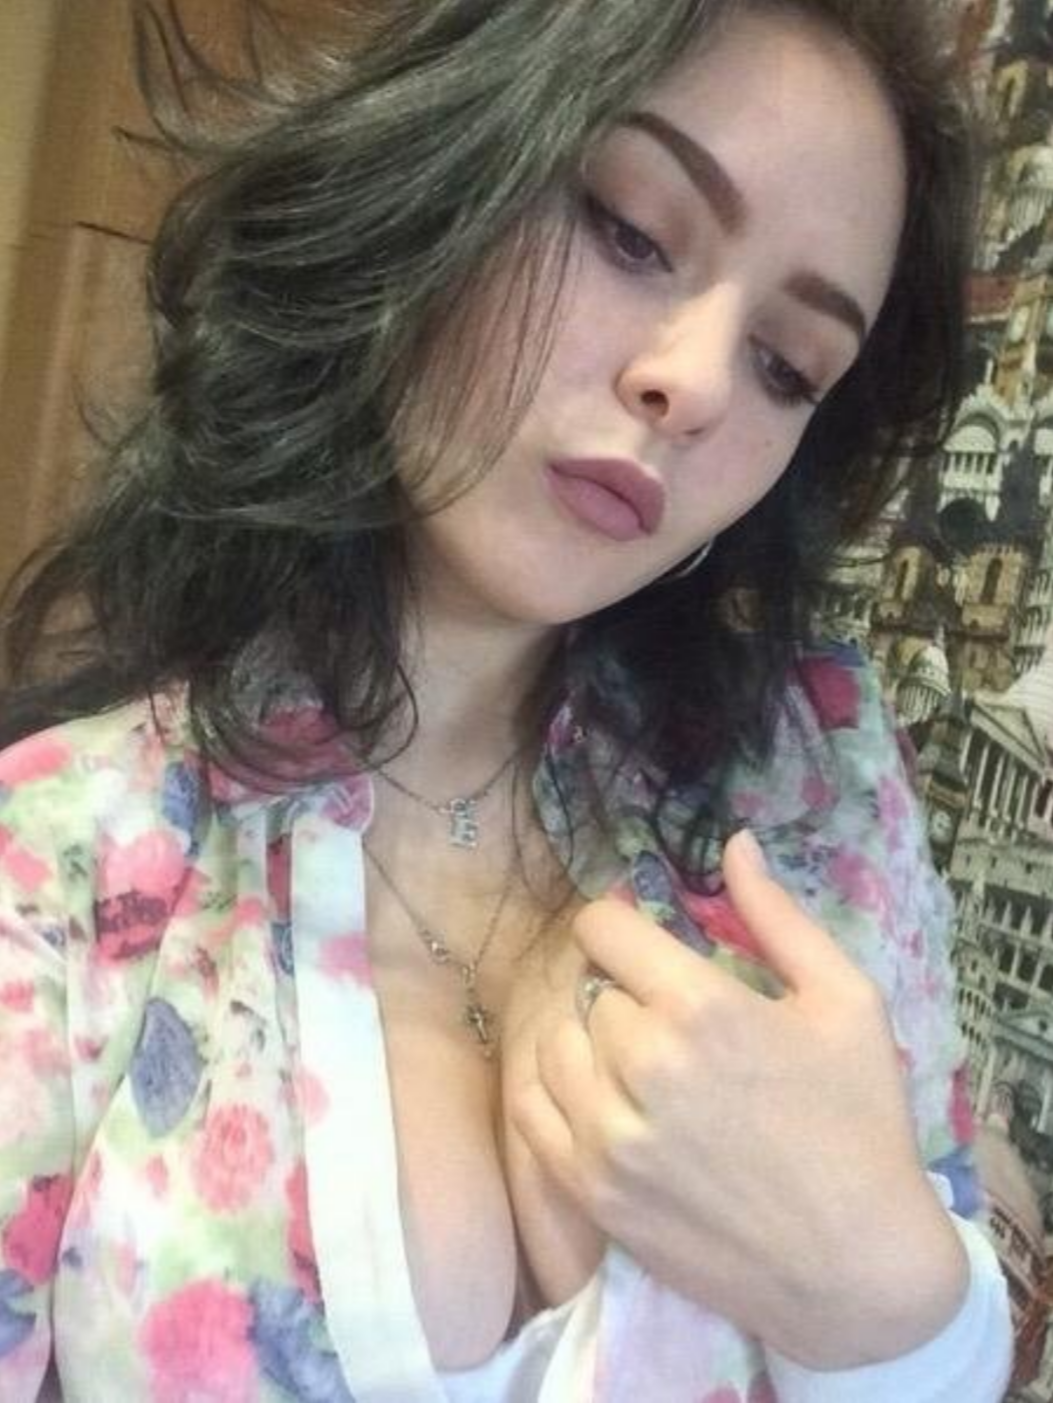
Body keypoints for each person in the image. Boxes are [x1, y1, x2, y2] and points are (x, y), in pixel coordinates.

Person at [0, 0, 1015, 1398]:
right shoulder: (59, 864)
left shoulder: (816, 786)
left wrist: (894, 1306)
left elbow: (949, 1262)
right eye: (630, 232)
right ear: (440, 183)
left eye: (788, 366)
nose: (696, 385)